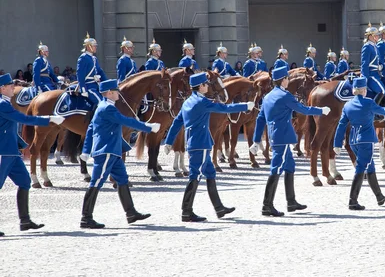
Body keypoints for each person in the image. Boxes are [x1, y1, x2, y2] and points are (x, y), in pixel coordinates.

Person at [164, 72, 253, 222]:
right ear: (200, 86)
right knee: (195, 176)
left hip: (195, 143)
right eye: (205, 84)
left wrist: (168, 141)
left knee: (210, 173)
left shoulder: (187, 102)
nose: (207, 86)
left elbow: (176, 123)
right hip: (201, 144)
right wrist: (245, 105)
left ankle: (219, 208)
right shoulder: (201, 102)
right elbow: (224, 108)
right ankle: (186, 211)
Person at [79, 79, 161, 229]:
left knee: (122, 180)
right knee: (96, 182)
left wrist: (86, 150)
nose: (119, 93)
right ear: (109, 93)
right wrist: (147, 127)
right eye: (116, 91)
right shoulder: (107, 108)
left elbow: (91, 128)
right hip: (107, 151)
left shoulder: (103, 106)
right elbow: (125, 120)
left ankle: (131, 213)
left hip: (113, 151)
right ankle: (86, 218)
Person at [250, 66, 330, 217]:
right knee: (276, 169)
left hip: (276, 136)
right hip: (283, 137)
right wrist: (321, 110)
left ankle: (291, 201)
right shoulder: (285, 96)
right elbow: (304, 110)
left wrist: (256, 140)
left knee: (290, 166)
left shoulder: (268, 97)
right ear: (283, 80)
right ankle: (267, 205)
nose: (288, 81)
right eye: (287, 78)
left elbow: (260, 120)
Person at [0, 73, 65, 236]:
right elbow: (23, 119)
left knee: (24, 182)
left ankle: (25, 220)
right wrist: (48, 119)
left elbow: (10, 128)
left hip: (12, 152)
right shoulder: (3, 104)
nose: (13, 87)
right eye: (9, 85)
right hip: (3, 152)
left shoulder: (6, 104)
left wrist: (20, 144)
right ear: (2, 88)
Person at [332, 76, 385, 210]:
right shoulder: (369, 102)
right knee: (361, 168)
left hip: (353, 140)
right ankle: (352, 200)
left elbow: (341, 125)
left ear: (354, 91)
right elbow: (383, 111)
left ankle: (379, 196)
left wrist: (337, 143)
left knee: (370, 167)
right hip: (366, 139)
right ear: (364, 90)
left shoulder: (347, 105)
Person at [77, 33, 108, 106]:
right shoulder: (83, 57)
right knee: (101, 103)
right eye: (94, 46)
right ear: (88, 46)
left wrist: (107, 83)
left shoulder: (94, 58)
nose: (95, 47)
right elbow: (80, 75)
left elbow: (100, 71)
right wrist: (83, 89)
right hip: (89, 87)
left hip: (96, 85)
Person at [360, 23, 385, 112]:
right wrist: (365, 78)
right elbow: (365, 64)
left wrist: (381, 66)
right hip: (371, 74)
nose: (378, 37)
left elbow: (379, 61)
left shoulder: (374, 46)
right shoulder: (367, 46)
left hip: (377, 74)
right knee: (381, 91)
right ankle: (373, 111)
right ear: (370, 36)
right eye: (376, 35)